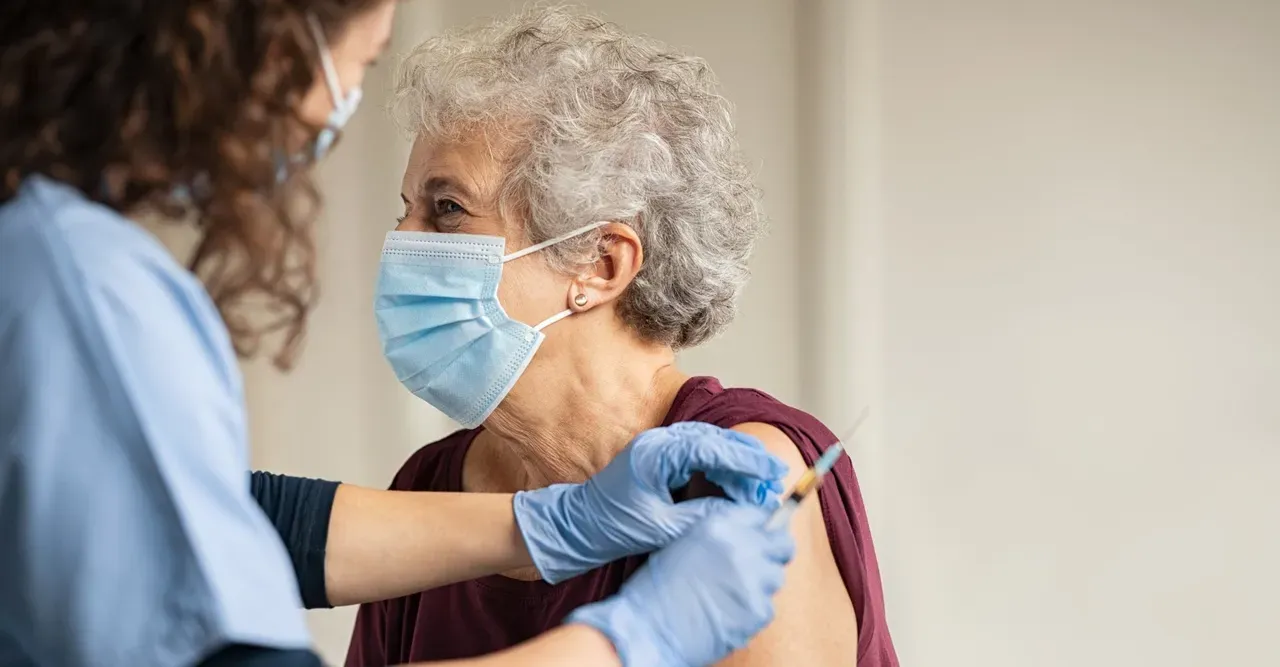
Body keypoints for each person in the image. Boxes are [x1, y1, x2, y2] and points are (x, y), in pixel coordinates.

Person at [0, 2, 796, 666]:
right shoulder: (78, 286)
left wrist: (548, 524)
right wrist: (627, 644)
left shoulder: (744, 465)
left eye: (446, 210)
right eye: (362, 60)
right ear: (273, 46)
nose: (337, 104)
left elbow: (215, 516)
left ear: (602, 260)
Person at [345, 6, 900, 667]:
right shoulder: (427, 488)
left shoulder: (738, 478)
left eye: (446, 210)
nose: (402, 243)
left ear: (601, 264)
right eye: (405, 209)